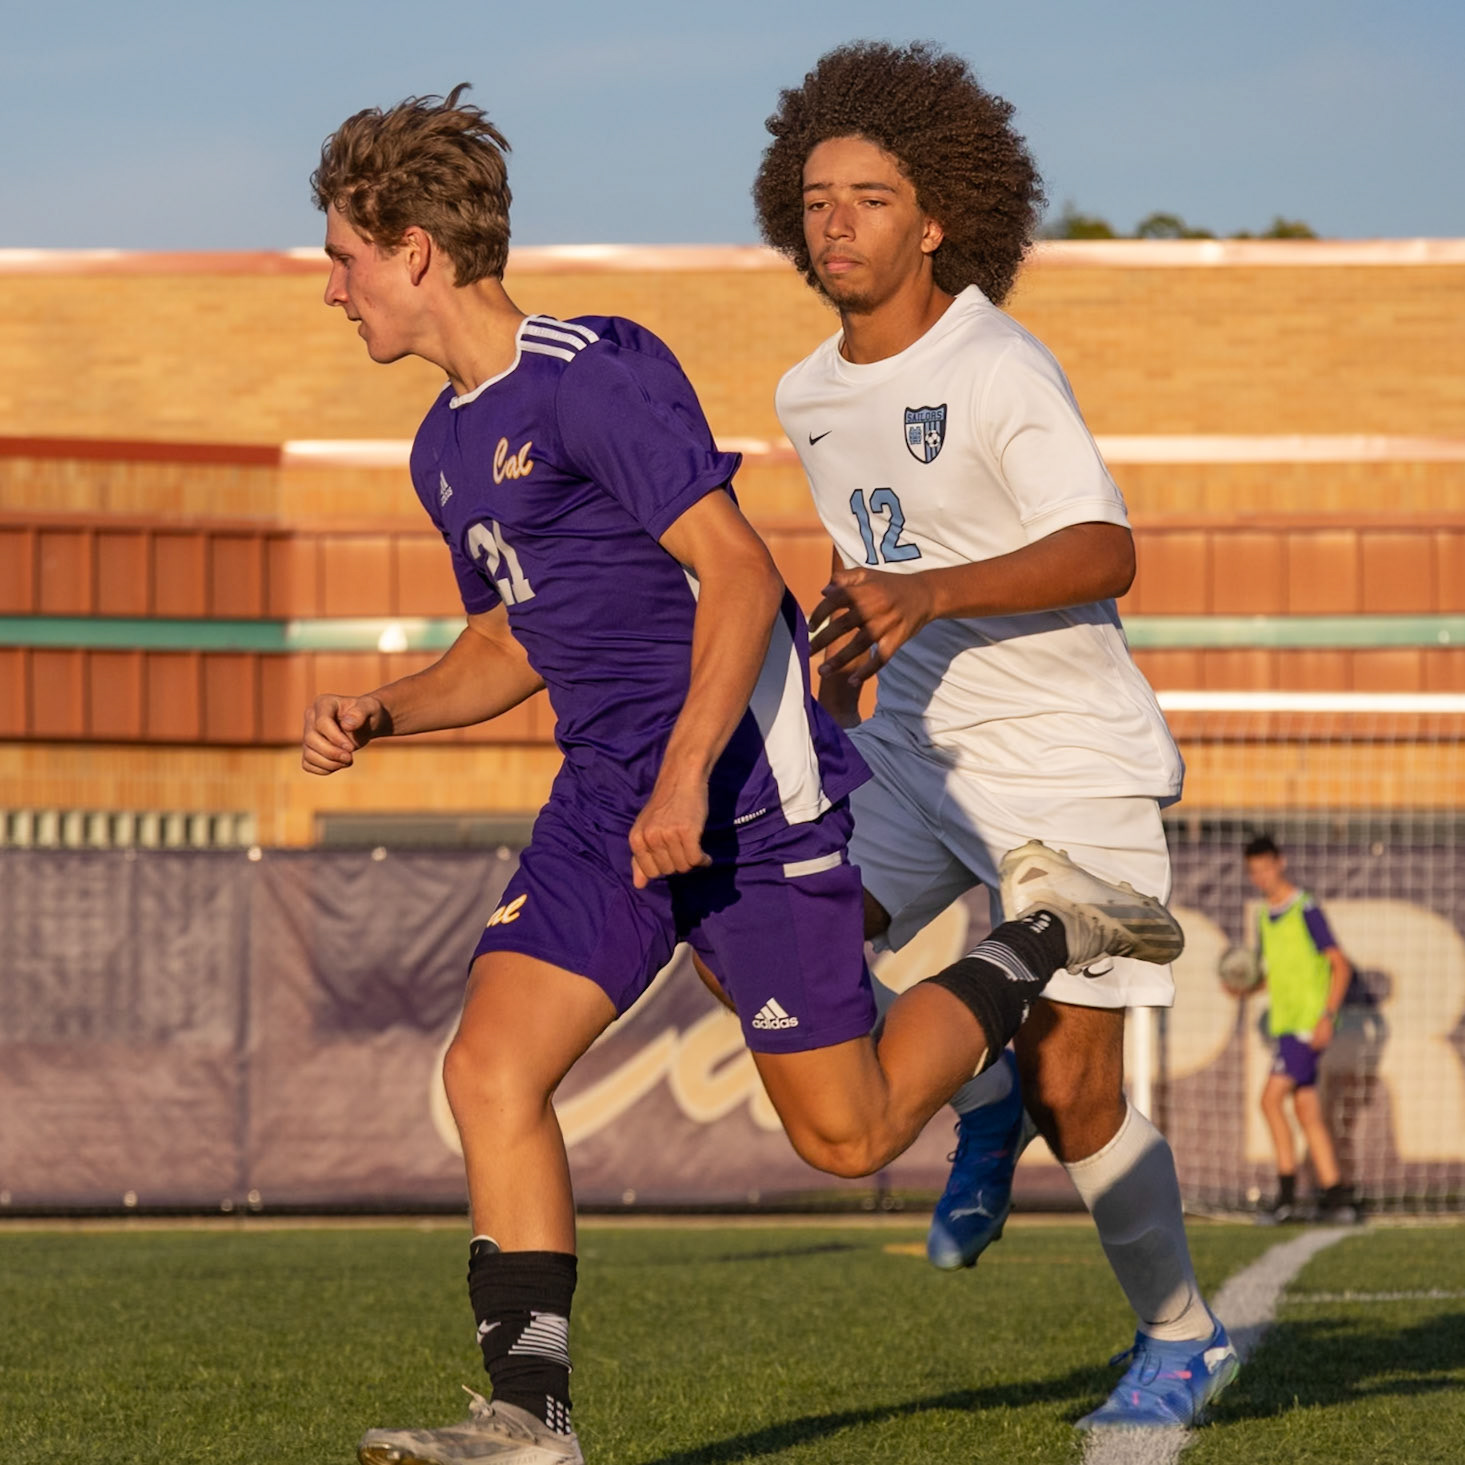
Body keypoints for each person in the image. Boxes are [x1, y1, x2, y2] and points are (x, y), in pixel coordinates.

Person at [301, 85, 1183, 1465]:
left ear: (416, 248)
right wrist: (390, 710)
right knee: (489, 1068)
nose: (332, 289)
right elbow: (514, 636)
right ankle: (531, 1424)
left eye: (344, 257)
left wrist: (687, 778)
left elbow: (734, 574)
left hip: (744, 784)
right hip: (610, 794)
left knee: (849, 1134)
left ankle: (1048, 929)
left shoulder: (596, 371)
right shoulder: (444, 447)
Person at [751, 40, 1236, 1430]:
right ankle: (976, 1091)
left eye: (871, 197)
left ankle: (1181, 1335)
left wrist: (930, 591)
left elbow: (1105, 549)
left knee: (1075, 1080)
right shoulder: (805, 394)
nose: (835, 220)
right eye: (818, 195)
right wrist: (847, 664)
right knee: (770, 954)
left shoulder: (999, 364)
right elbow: (870, 564)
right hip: (911, 753)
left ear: (937, 217)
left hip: (1064, 764)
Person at [1243, 834, 1358, 1222]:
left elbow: (1340, 964)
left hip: (1308, 1025)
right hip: (1286, 1024)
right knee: (1306, 1109)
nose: (1261, 877)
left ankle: (1288, 1198)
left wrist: (1326, 1015)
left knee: (1269, 1100)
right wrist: (1243, 986)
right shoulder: (1263, 916)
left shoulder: (1304, 907)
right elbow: (1271, 976)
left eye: (1265, 868)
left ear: (1281, 863)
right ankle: (1336, 1194)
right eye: (1253, 871)